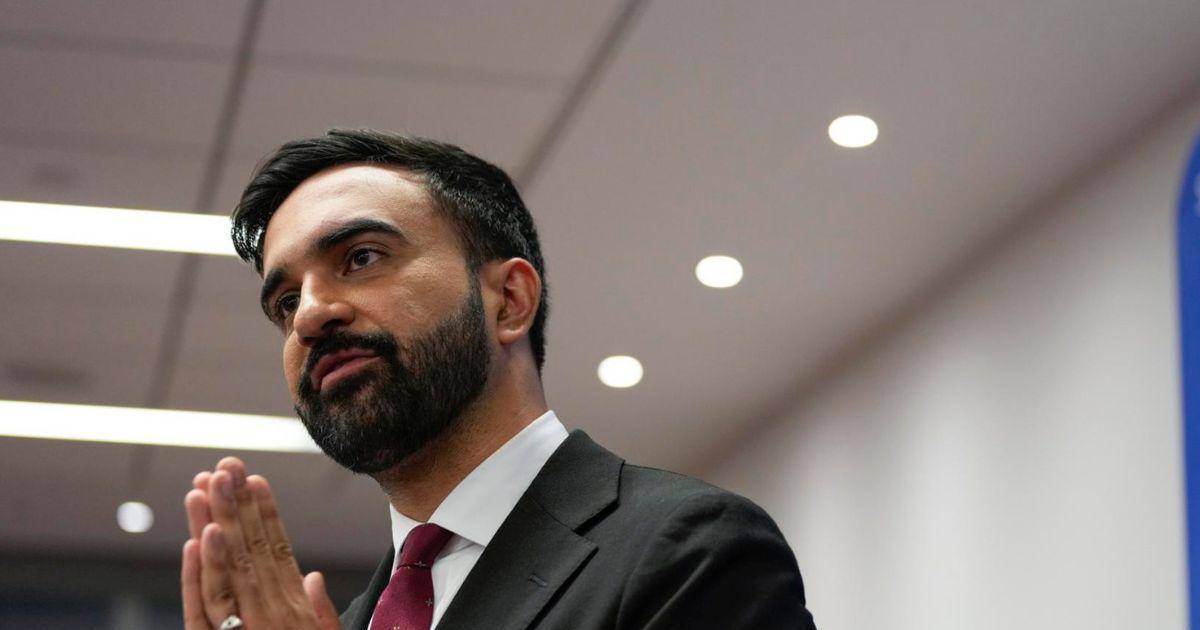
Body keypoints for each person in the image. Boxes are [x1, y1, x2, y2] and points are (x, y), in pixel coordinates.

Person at [179, 129, 818, 630]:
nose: (310, 316)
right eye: (286, 302)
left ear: (509, 300)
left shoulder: (689, 550)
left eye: (361, 257)